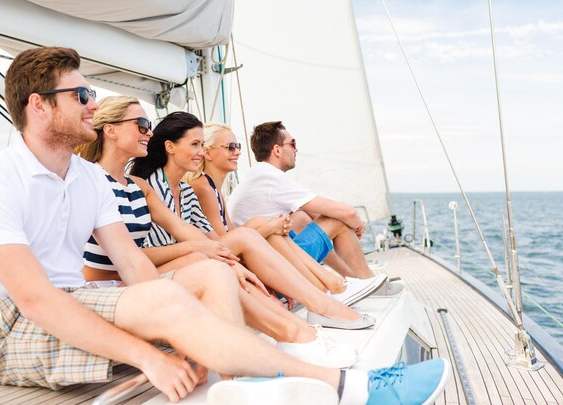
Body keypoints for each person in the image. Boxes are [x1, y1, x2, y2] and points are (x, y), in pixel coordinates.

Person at [0, 46, 449, 405]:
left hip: (77, 302)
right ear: (38, 105)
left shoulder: (86, 179)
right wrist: (150, 353)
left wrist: (174, 322)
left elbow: (134, 267)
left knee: (212, 273)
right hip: (10, 326)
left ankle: (234, 389)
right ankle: (347, 387)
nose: (91, 102)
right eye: (81, 93)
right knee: (181, 290)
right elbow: (36, 300)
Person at [75, 95, 356, 368]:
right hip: (110, 289)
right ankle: (293, 330)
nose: (149, 133)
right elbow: (118, 261)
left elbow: (183, 229)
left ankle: (296, 328)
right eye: (142, 126)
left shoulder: (138, 186)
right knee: (207, 258)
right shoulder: (90, 180)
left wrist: (224, 256)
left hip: (140, 276)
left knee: (219, 255)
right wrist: (202, 250)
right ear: (110, 130)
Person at [128, 111, 381, 330]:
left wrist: (240, 261)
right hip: (163, 273)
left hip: (194, 261)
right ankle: (327, 292)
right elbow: (141, 254)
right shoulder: (152, 188)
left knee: (262, 231)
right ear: (170, 147)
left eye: (201, 145)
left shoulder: (185, 192)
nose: (200, 152)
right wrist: (254, 238)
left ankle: (326, 290)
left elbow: (217, 242)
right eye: (195, 145)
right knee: (260, 231)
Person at [188, 123, 384, 304]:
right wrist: (355, 223)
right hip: (254, 263)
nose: (237, 152)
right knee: (329, 222)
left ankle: (344, 281)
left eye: (238, 146)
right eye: (230, 147)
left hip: (257, 258)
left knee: (297, 219)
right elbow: (223, 246)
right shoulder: (207, 188)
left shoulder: (218, 189)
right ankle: (352, 282)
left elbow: (305, 211)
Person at [227, 121, 403, 296]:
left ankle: (352, 280)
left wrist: (347, 220)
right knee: (337, 220)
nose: (296, 149)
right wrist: (355, 224)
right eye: (292, 144)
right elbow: (347, 212)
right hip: (273, 272)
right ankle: (370, 283)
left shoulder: (257, 174)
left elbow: (314, 213)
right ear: (277, 150)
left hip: (261, 262)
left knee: (302, 218)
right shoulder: (272, 178)